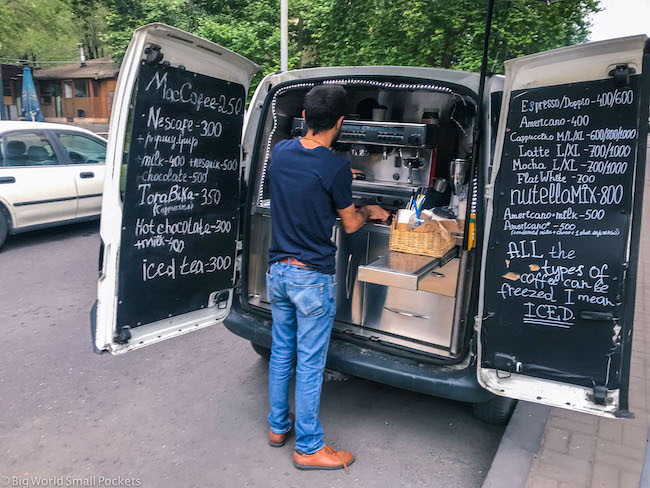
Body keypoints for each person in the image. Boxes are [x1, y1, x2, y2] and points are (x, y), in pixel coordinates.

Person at [265, 84, 389, 472]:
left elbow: (306, 173)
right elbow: (350, 224)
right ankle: (309, 447)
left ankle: (276, 427)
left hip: (279, 274)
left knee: (282, 352)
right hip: (311, 280)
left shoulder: (281, 151)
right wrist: (370, 209)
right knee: (311, 363)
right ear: (341, 122)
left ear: (303, 118)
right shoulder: (333, 167)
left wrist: (340, 175)